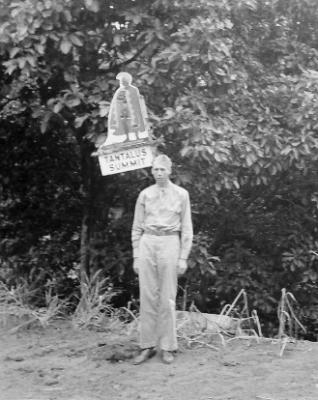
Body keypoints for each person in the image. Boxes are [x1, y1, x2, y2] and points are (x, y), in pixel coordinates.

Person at [131, 154, 193, 364]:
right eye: (155, 170)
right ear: (152, 171)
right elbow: (136, 227)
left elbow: (187, 229)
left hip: (169, 243)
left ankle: (168, 347)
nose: (159, 173)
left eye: (162, 170)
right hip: (148, 242)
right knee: (147, 296)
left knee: (167, 297)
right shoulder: (145, 195)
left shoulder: (181, 195)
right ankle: (147, 345)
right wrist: (137, 255)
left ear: (170, 171)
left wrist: (183, 257)